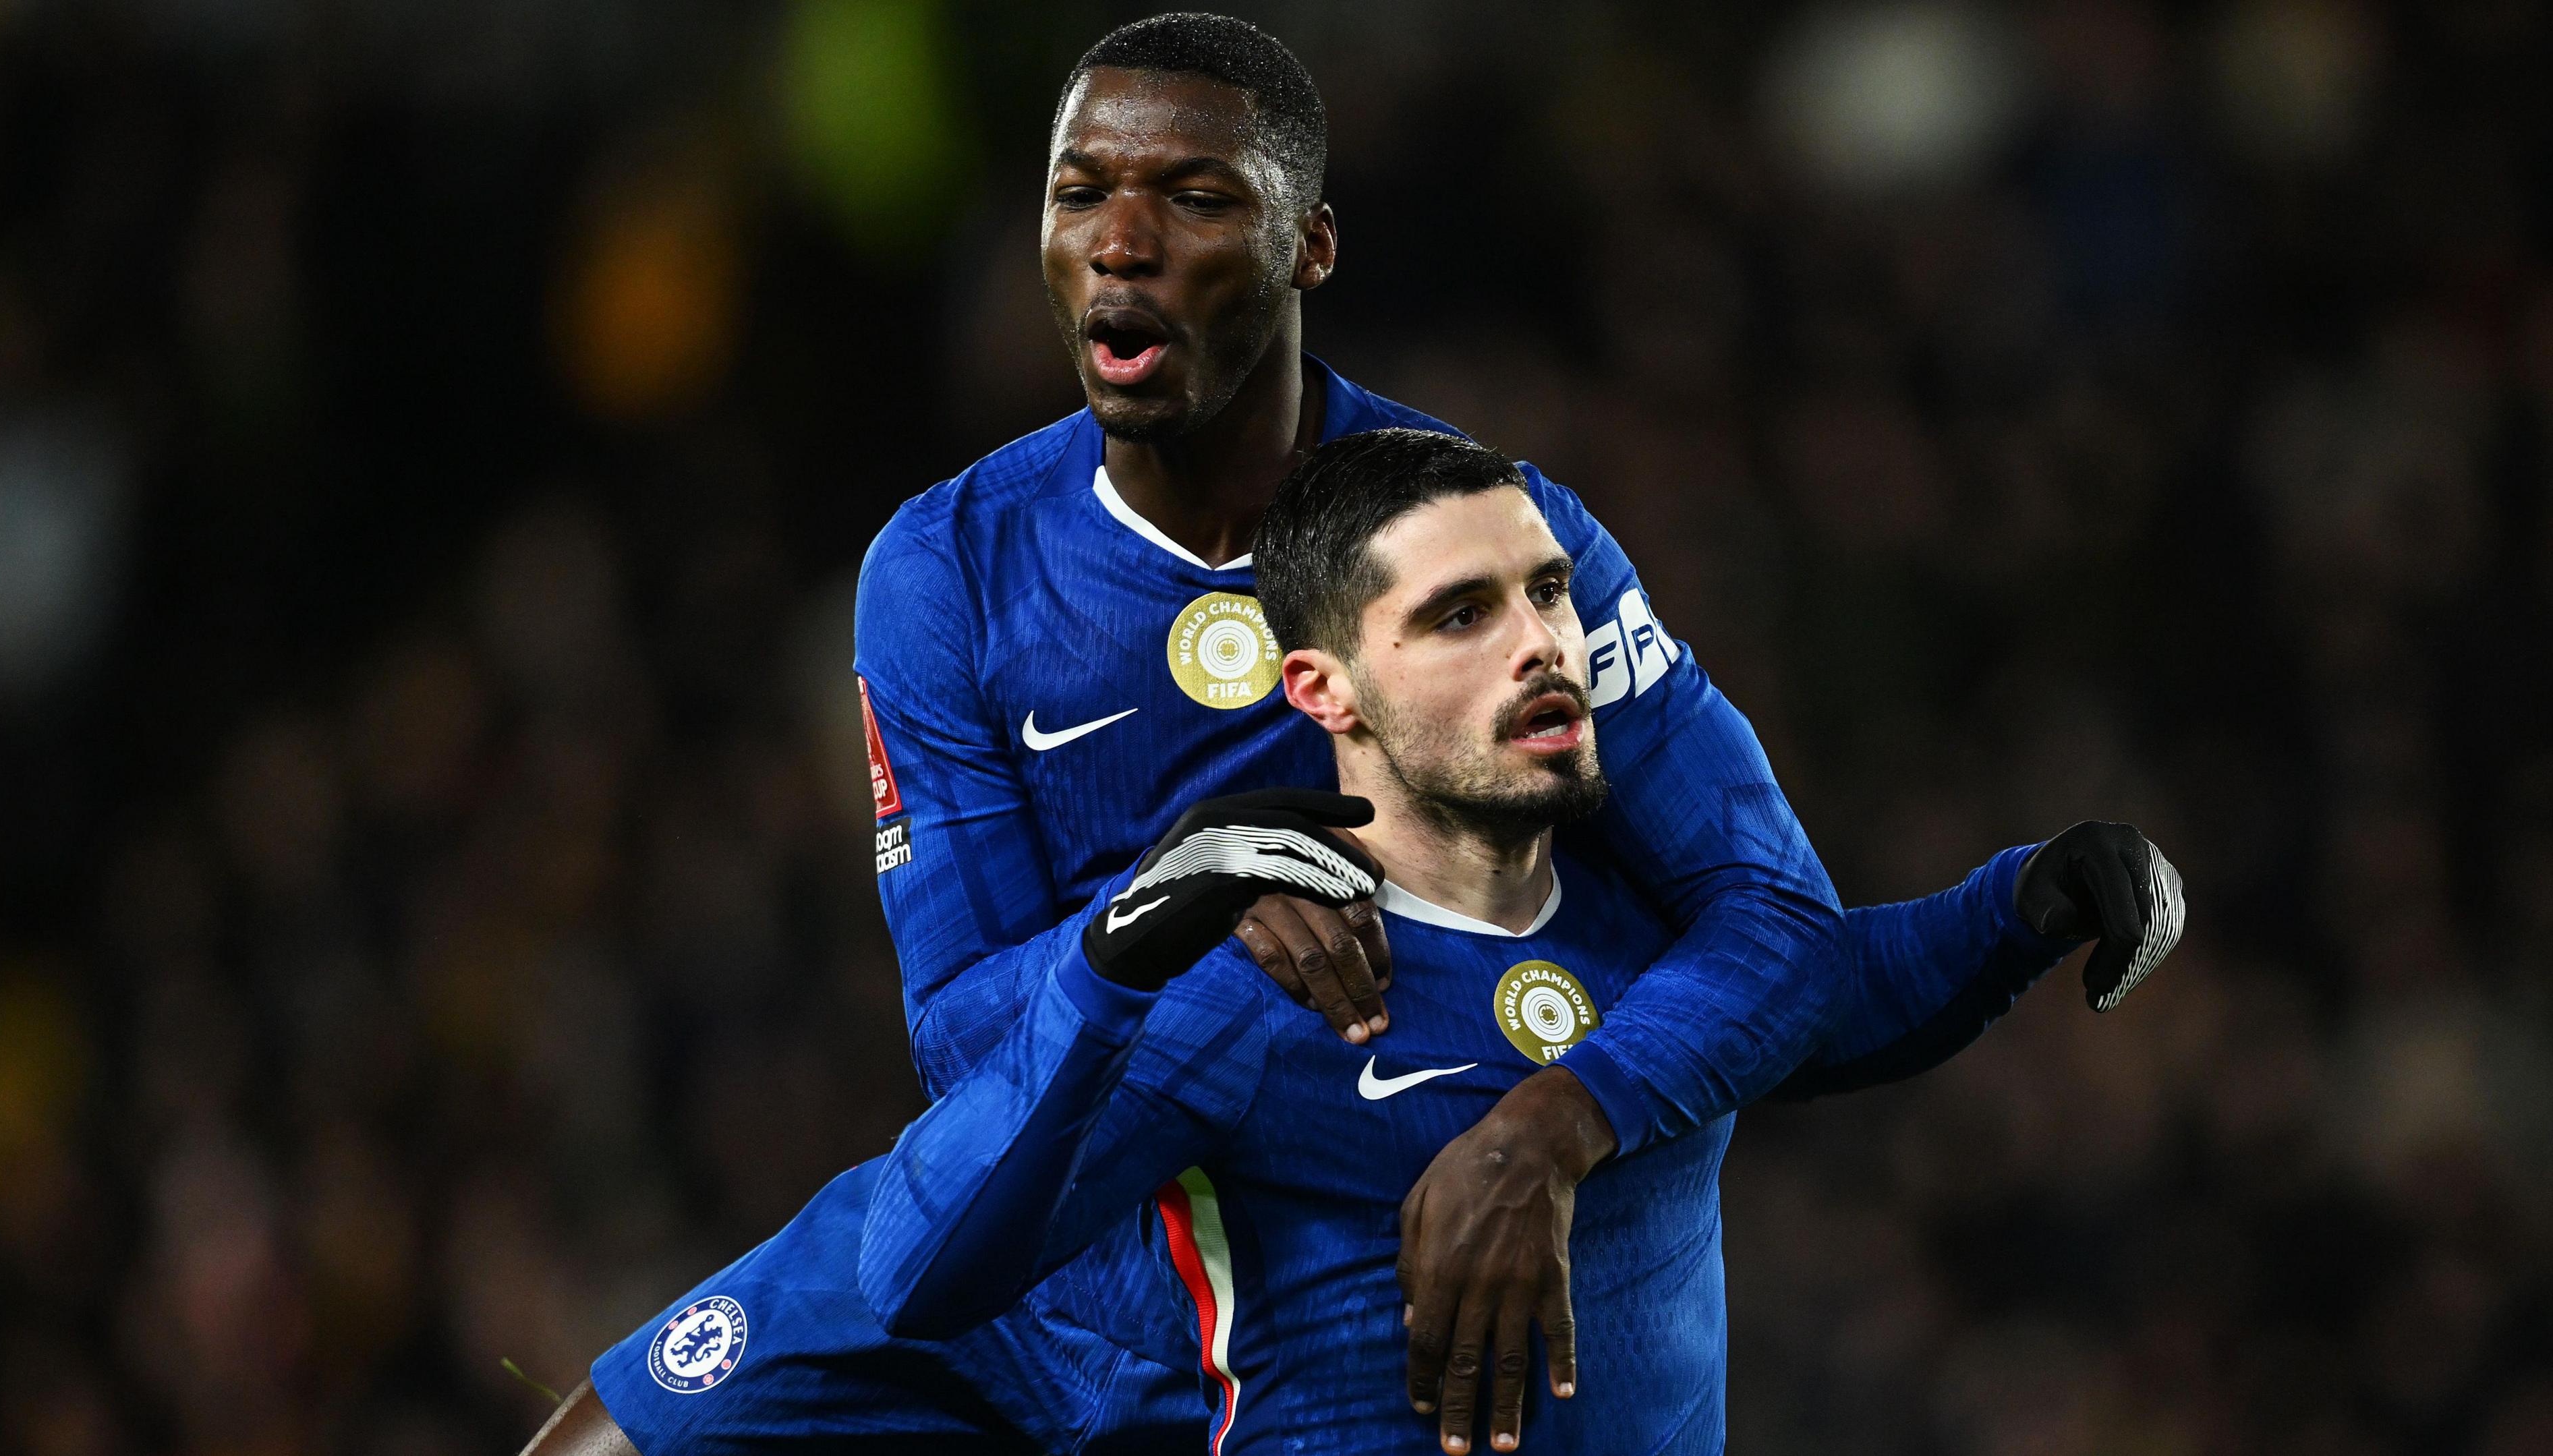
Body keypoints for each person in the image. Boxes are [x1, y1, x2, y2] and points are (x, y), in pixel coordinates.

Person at [519, 15, 2182, 1456]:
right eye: (1082, 193)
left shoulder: (1487, 536)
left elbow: (1777, 927)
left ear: (1311, 246)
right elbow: (965, 1040)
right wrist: (1179, 916)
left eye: (1194, 199)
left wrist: (1550, 1122)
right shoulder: (946, 572)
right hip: (1049, 1221)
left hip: (1304, 1250)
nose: (1120, 241)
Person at [857, 426, 2094, 1454]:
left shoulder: (1665, 946)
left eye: (1547, 592)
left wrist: (2035, 899)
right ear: (1323, 692)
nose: (1541, 643)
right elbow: (915, 1266)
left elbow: (1830, 988)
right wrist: (1114, 953)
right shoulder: (1266, 986)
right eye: (1461, 616)